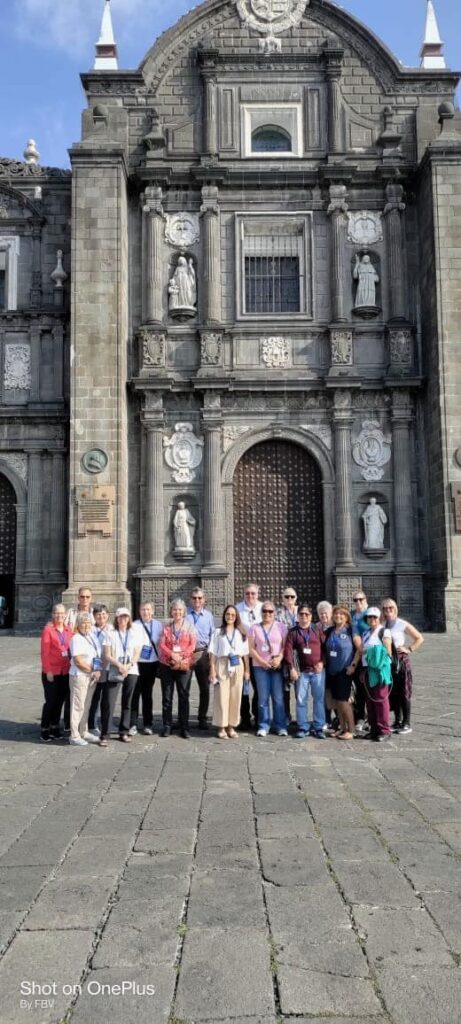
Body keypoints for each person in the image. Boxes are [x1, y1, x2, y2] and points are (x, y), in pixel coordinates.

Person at [381, 598, 423, 735]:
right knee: (393, 692)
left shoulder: (401, 624)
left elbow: (419, 638)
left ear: (396, 609)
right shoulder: (383, 625)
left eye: (391, 608)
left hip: (401, 661)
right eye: (385, 608)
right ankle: (397, 721)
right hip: (388, 662)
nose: (388, 611)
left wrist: (409, 649)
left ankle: (406, 723)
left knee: (404, 691)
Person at [208, 605, 250, 738]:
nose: (230, 617)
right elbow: (213, 653)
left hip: (237, 664)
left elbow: (245, 654)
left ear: (236, 617)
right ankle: (221, 727)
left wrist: (247, 670)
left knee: (235, 696)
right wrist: (212, 669)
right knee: (221, 696)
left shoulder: (241, 633)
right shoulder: (218, 632)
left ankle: (231, 726)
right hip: (222, 663)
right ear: (224, 616)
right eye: (228, 614)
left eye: (233, 614)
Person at [351, 607, 393, 742]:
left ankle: (384, 730)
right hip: (367, 669)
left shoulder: (384, 631)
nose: (372, 619)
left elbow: (388, 651)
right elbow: (360, 651)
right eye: (369, 617)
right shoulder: (366, 633)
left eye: (374, 617)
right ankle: (374, 729)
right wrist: (353, 665)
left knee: (380, 700)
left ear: (379, 618)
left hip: (379, 670)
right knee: (370, 701)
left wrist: (370, 652)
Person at [284, 603, 325, 739]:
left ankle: (318, 727)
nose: (304, 616)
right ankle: (303, 727)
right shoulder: (293, 632)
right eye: (301, 614)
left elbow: (325, 648)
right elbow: (288, 651)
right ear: (298, 616)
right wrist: (292, 668)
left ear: (311, 616)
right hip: (301, 672)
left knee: (318, 700)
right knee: (301, 700)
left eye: (306, 614)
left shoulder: (317, 630)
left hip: (318, 671)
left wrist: (322, 662)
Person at [158, 599, 197, 739]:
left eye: (180, 609)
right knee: (167, 696)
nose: (177, 612)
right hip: (167, 664)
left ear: (184, 611)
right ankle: (167, 725)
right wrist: (172, 654)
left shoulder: (190, 626)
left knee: (183, 696)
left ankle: (184, 726)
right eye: (175, 609)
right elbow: (162, 644)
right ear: (171, 611)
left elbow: (193, 645)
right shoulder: (166, 626)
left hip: (183, 664)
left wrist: (181, 656)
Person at [101, 608, 140, 745]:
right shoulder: (110, 634)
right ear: (116, 619)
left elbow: (137, 653)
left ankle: (124, 731)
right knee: (109, 702)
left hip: (131, 670)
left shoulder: (134, 633)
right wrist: (119, 665)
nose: (123, 619)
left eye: (126, 617)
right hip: (114, 668)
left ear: (129, 619)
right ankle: (105, 734)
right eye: (121, 617)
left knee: (127, 702)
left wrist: (128, 665)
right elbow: (107, 654)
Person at [249, 602, 288, 737]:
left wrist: (279, 658)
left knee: (278, 697)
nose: (267, 614)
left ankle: (280, 725)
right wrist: (262, 661)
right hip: (260, 667)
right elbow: (251, 648)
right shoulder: (254, 628)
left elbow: (285, 646)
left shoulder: (281, 627)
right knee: (263, 698)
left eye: (270, 611)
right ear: (261, 612)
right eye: (265, 611)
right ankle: (263, 725)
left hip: (276, 667)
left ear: (274, 613)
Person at [40, 604, 72, 742]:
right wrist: (48, 670)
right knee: (50, 701)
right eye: (57, 613)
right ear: (53, 614)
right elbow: (45, 653)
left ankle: (55, 726)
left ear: (65, 615)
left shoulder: (68, 630)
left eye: (62, 613)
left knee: (60, 701)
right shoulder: (48, 630)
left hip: (65, 671)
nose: (60, 616)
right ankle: (44, 728)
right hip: (52, 672)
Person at [68, 612, 102, 746]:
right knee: (78, 706)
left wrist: (97, 671)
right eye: (83, 623)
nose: (86, 625)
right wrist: (92, 671)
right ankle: (74, 735)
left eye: (88, 622)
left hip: (91, 676)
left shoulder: (92, 636)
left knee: (86, 705)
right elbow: (78, 661)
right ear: (78, 624)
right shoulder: (76, 638)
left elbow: (97, 656)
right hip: (80, 676)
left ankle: (84, 731)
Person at [130, 601, 162, 736]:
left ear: (152, 611)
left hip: (152, 663)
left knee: (147, 694)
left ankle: (148, 723)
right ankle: (132, 723)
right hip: (137, 663)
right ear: (139, 611)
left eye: (148, 609)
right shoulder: (134, 625)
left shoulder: (158, 625)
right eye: (143, 609)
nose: (146, 612)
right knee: (135, 694)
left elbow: (161, 642)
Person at [324, 606, 356, 740]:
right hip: (332, 671)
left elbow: (360, 648)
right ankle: (342, 728)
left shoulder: (351, 630)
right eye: (336, 614)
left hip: (344, 671)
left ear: (347, 616)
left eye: (341, 614)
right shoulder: (330, 631)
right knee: (337, 702)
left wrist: (353, 665)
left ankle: (351, 730)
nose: (338, 616)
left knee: (344, 701)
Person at [186, 588, 215, 729]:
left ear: (204, 599)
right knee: (184, 688)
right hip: (187, 654)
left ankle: (202, 718)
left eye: (199, 598)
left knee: (204, 688)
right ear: (190, 599)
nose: (197, 600)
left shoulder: (209, 616)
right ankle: (183, 718)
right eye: (194, 598)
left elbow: (212, 636)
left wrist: (210, 655)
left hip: (203, 653)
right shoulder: (185, 614)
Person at [236, 583, 263, 729]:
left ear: (258, 594)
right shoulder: (238, 609)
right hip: (243, 655)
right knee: (243, 688)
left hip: (259, 655)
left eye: (253, 593)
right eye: (247, 593)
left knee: (259, 687)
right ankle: (244, 717)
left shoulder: (263, 608)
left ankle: (258, 716)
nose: (250, 596)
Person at [87, 604, 113, 737]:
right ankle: (92, 724)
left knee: (108, 698)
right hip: (93, 668)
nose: (101, 617)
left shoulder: (112, 629)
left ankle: (107, 723)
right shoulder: (90, 629)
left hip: (108, 668)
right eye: (98, 614)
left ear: (107, 615)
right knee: (94, 697)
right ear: (94, 616)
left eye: (103, 614)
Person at [276, 588, 298, 728]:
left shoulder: (302, 611)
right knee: (285, 688)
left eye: (292, 596)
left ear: (296, 598)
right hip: (285, 653)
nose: (289, 599)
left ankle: (301, 717)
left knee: (300, 688)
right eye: (286, 597)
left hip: (301, 655)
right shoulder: (278, 613)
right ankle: (286, 715)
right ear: (282, 598)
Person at [351, 591, 369, 734]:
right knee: (356, 688)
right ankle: (358, 715)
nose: (358, 602)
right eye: (355, 600)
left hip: (366, 656)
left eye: (360, 599)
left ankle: (366, 717)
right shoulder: (351, 614)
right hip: (352, 657)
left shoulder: (370, 614)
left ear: (365, 599)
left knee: (366, 688)